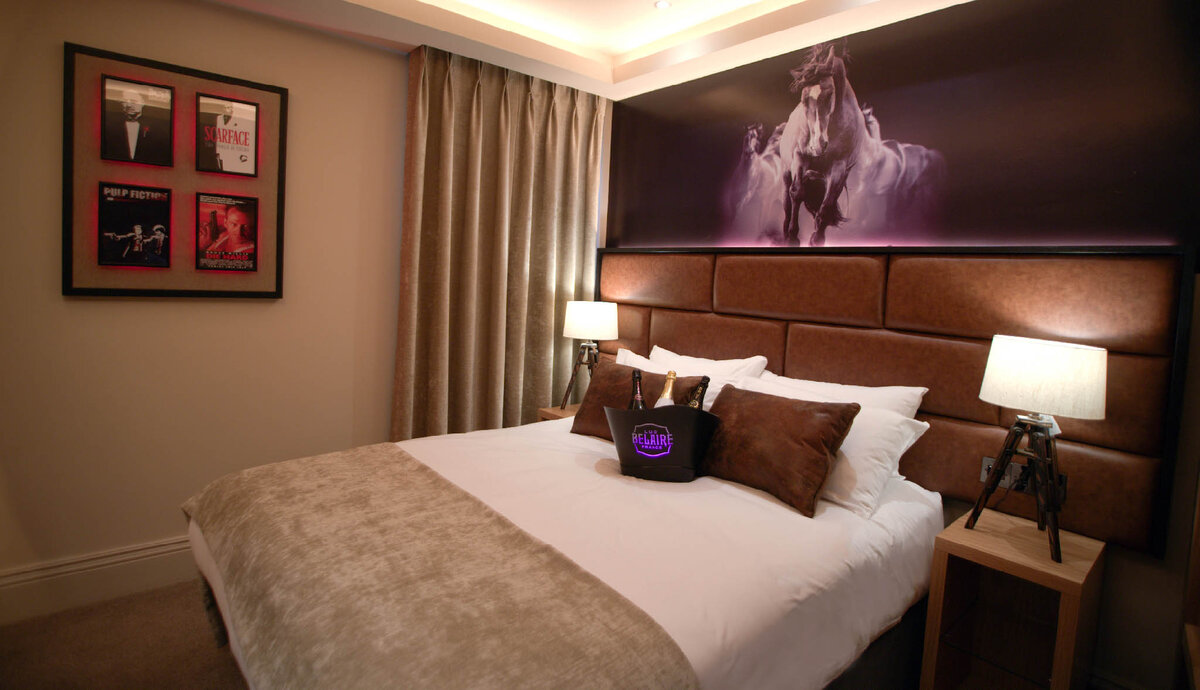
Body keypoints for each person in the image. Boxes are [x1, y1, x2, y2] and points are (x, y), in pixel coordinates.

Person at [102, 85, 172, 166]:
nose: (129, 105)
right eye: (125, 101)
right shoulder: (111, 128)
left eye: (133, 101)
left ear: (143, 103)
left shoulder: (158, 129)